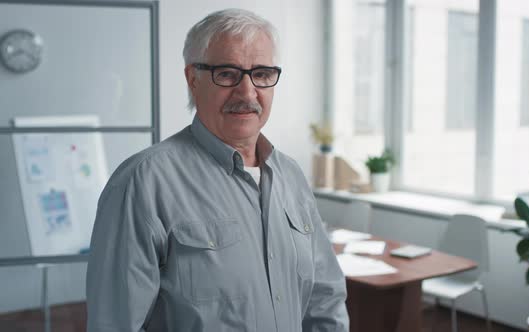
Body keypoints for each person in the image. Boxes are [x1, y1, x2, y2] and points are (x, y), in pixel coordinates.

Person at [86, 8, 349, 332]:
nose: (247, 92)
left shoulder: (290, 175)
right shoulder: (143, 183)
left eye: (262, 74)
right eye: (227, 74)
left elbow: (325, 300)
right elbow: (114, 324)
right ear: (193, 79)